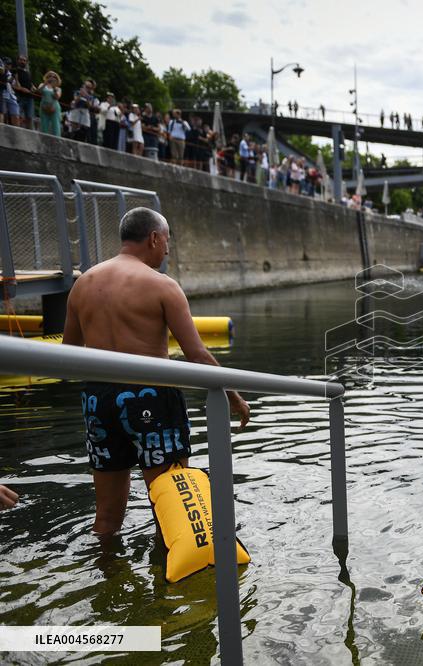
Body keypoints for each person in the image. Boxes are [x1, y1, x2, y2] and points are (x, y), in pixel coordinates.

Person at [62, 208, 249, 535]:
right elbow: (198, 355)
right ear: (153, 238)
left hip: (99, 399)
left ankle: (109, 578)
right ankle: (169, 584)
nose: (167, 250)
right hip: (151, 396)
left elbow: (69, 354)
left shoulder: (83, 284)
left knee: (105, 517)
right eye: (166, 241)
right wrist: (233, 396)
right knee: (172, 510)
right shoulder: (162, 286)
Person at [12, 55, 35, 130]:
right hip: (19, 97)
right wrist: (22, 89)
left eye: (24, 60)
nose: (23, 62)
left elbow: (30, 84)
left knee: (29, 117)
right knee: (17, 115)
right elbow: (13, 84)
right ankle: (17, 131)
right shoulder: (15, 71)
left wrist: (33, 88)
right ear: (17, 61)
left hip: (29, 97)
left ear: (26, 62)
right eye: (21, 60)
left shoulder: (28, 73)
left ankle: (29, 132)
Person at [38, 71, 62, 137]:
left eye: (54, 77)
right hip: (44, 107)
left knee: (56, 126)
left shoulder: (58, 89)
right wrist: (46, 83)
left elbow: (57, 97)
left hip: (54, 108)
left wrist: (54, 87)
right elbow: (39, 91)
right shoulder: (42, 85)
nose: (51, 78)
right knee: (44, 126)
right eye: (49, 76)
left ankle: (57, 140)